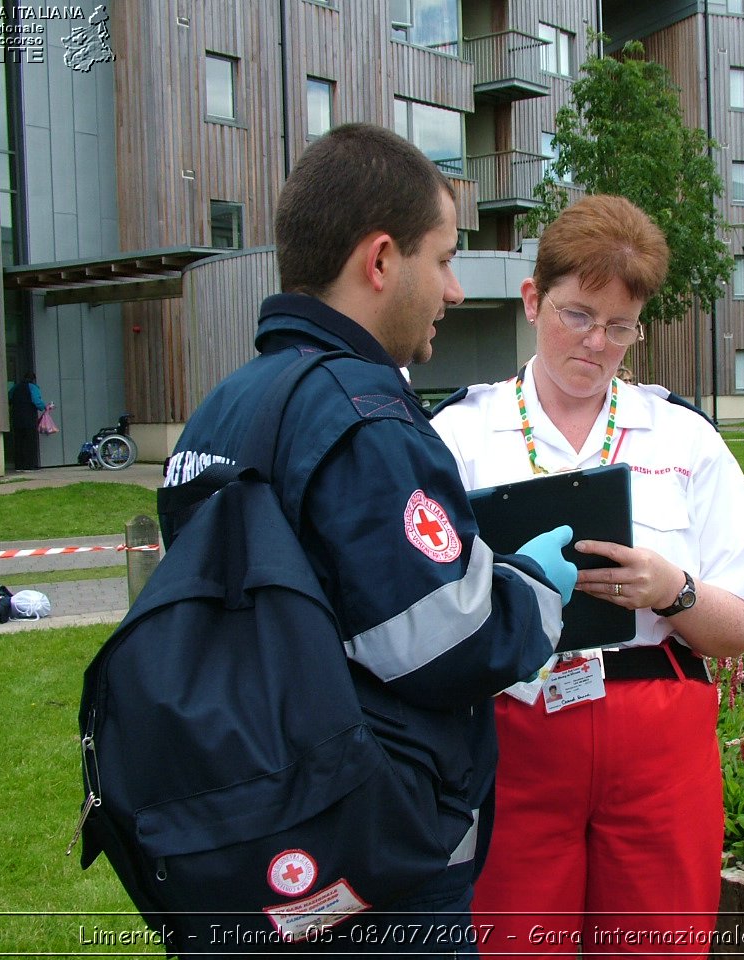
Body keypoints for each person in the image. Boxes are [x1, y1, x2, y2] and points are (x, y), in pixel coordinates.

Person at [160, 123, 574, 954]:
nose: (454, 291)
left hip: (258, 835)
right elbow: (442, 639)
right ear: (381, 261)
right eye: (446, 257)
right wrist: (529, 585)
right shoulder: (364, 415)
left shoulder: (225, 407)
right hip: (373, 868)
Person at [432, 194, 744, 956]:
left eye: (620, 328)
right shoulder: (459, 435)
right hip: (513, 731)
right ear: (531, 300)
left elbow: (739, 631)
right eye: (577, 315)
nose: (596, 344)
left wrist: (670, 590)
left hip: (657, 734)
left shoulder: (685, 439)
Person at [8, 372, 45, 470]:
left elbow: (9, 398)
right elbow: (37, 401)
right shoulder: (33, 387)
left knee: (19, 443)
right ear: (33, 379)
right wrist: (44, 407)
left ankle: (19, 465)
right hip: (29, 419)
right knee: (30, 442)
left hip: (17, 419)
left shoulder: (15, 388)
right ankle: (29, 465)